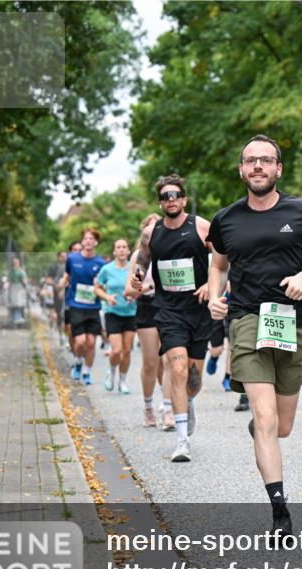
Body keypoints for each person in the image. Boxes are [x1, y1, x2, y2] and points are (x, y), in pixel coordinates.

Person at [208, 134, 302, 541]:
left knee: (281, 426)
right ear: (241, 169)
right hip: (246, 320)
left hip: (291, 322)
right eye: (251, 160)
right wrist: (215, 296)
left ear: (279, 169)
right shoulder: (226, 219)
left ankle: (263, 432)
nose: (258, 166)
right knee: (264, 417)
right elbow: (217, 263)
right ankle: (280, 511)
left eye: (266, 160)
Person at [131, 175, 214, 462]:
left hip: (199, 310)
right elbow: (143, 257)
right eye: (165, 196)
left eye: (175, 195)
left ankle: (188, 401)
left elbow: (226, 261)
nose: (171, 200)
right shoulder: (152, 232)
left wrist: (211, 286)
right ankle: (181, 441)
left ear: (184, 199)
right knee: (176, 370)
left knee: (193, 379)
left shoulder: (201, 227)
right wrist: (139, 274)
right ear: (160, 202)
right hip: (168, 311)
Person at [126, 214, 174, 429]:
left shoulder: (171, 250)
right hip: (146, 307)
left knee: (169, 360)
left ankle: (168, 409)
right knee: (150, 363)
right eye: (151, 227)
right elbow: (129, 290)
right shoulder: (139, 255)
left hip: (169, 306)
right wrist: (148, 287)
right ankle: (148, 407)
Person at [60, 228, 107, 384]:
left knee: (92, 342)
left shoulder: (101, 263)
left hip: (93, 306)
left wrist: (101, 288)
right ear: (82, 241)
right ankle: (78, 361)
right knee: (80, 341)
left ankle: (87, 371)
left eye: (91, 239)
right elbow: (66, 276)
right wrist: (62, 284)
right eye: (85, 238)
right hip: (76, 304)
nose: (88, 241)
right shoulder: (72, 259)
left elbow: (104, 286)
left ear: (96, 242)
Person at [95, 238, 138, 394]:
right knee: (116, 350)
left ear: (128, 251)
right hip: (112, 312)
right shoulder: (106, 269)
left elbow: (140, 288)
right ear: (114, 251)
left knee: (127, 350)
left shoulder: (134, 269)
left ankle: (123, 381)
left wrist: (136, 295)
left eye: (124, 247)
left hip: (131, 313)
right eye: (118, 247)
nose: (121, 250)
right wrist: (107, 298)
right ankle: (111, 372)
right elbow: (97, 288)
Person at [8, 257, 29, 327]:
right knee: (16, 305)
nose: (15, 264)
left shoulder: (19, 272)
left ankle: (18, 319)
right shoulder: (14, 272)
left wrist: (26, 287)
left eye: (16, 263)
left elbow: (24, 281)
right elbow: (10, 282)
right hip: (15, 288)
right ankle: (16, 319)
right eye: (14, 263)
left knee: (18, 305)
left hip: (18, 288)